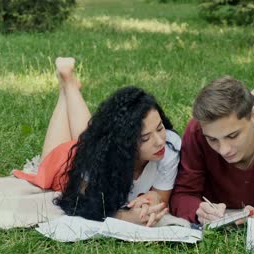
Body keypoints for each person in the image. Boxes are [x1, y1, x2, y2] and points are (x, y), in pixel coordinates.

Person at [13, 57, 181, 227]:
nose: (160, 141)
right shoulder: (97, 161)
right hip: (67, 166)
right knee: (56, 160)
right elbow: (81, 203)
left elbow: (162, 198)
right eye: (145, 138)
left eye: (160, 128)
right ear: (125, 143)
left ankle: (69, 86)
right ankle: (67, 87)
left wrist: (153, 198)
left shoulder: (169, 146)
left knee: (89, 135)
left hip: (91, 146)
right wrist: (124, 217)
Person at [170, 76, 254, 224]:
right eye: (212, 139)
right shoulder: (196, 130)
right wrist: (197, 210)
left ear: (253, 115)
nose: (224, 150)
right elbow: (182, 194)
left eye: (232, 136)